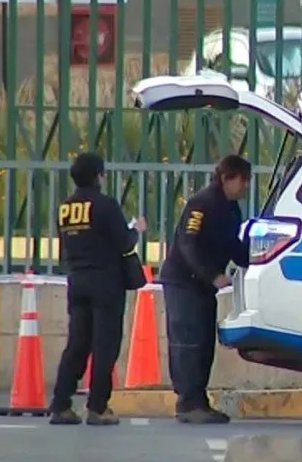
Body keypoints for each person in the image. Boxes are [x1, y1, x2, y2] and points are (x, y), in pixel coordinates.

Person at [48, 152, 147, 426]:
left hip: (77, 280)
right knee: (105, 346)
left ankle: (61, 403)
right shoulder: (105, 205)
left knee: (77, 345)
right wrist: (136, 229)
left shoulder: (65, 208)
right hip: (105, 283)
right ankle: (97, 407)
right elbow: (124, 242)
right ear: (98, 176)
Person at [159, 155, 253, 424]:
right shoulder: (202, 203)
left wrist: (258, 259)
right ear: (226, 178)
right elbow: (188, 244)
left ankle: (198, 399)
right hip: (184, 282)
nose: (245, 187)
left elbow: (232, 244)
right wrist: (212, 275)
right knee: (188, 342)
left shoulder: (230, 208)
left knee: (203, 344)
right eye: (242, 180)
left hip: (201, 286)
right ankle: (188, 402)